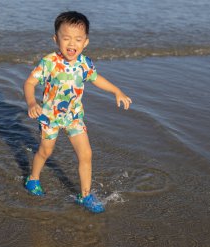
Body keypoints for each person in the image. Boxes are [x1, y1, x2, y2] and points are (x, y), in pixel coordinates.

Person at [23, 11, 132, 213]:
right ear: (56, 39)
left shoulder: (85, 63)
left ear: (85, 42)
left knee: (86, 154)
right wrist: (31, 103)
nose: (71, 44)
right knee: (46, 151)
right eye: (66, 38)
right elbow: (30, 82)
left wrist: (117, 91)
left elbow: (96, 78)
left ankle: (85, 195)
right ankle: (33, 179)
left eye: (78, 39)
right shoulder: (49, 62)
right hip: (50, 117)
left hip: (74, 117)